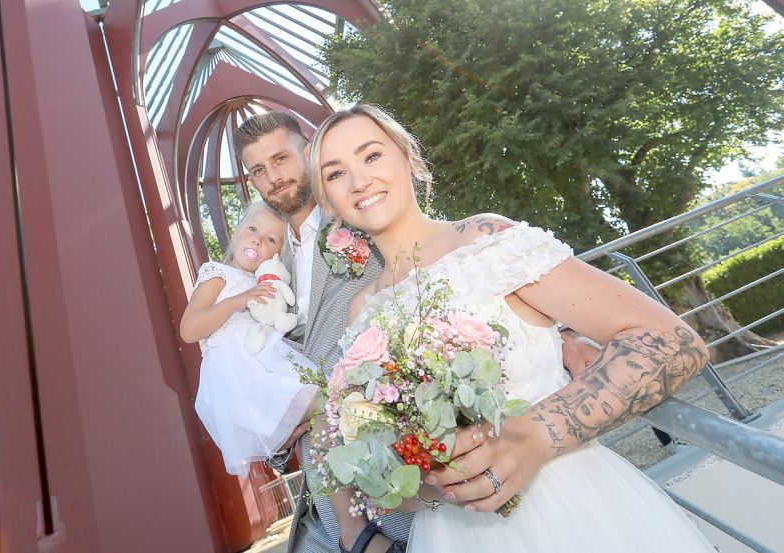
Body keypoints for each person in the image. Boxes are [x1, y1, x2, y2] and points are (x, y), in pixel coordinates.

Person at [309, 103, 714, 552]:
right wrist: (423, 477)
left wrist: (536, 434)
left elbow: (671, 341)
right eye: (335, 174)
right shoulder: (362, 311)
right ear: (328, 201)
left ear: (408, 158)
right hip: (450, 534)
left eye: (371, 156)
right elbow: (394, 479)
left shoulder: (483, 240)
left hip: (569, 514)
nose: (359, 181)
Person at [234, 111, 606, 553]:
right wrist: (278, 426)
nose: (273, 177)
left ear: (308, 156)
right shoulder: (262, 257)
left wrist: (558, 332)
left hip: (426, 499)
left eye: (281, 159)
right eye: (259, 170)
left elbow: (454, 273)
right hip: (334, 500)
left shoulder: (361, 221)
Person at [180, 201, 319, 477]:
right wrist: (235, 302)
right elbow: (189, 329)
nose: (258, 239)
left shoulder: (265, 282)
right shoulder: (218, 274)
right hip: (239, 374)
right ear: (238, 231)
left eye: (270, 239)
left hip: (266, 362)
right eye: (253, 229)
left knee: (323, 406)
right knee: (323, 401)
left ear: (277, 255)